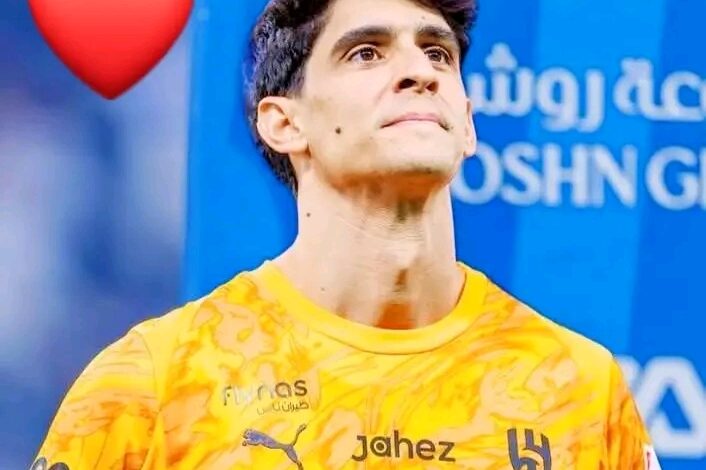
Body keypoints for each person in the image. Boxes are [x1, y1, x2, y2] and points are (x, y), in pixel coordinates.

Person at [32, 0, 662, 468]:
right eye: (367, 52)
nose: (420, 72)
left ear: (467, 124)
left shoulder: (582, 388)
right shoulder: (151, 385)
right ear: (284, 123)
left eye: (438, 53)